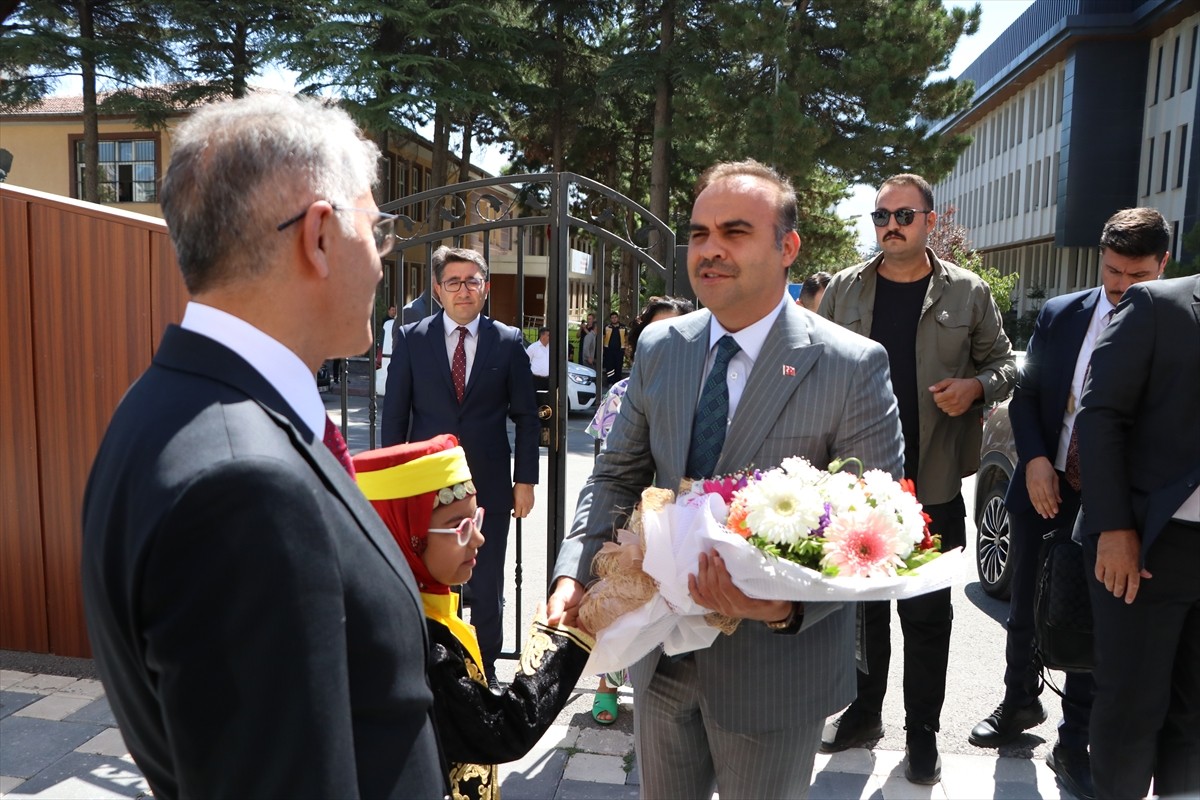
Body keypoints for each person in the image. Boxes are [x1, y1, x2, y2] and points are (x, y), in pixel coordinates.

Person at [79, 94, 444, 799]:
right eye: (378, 230)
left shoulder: (168, 405)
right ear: (319, 235)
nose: (381, 260)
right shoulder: (243, 486)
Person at [547, 159, 905, 799]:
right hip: (660, 661)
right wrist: (575, 568)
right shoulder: (663, 348)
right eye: (699, 233)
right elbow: (619, 473)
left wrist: (785, 606)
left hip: (772, 671)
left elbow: (874, 534)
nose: (709, 250)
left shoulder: (851, 366)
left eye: (735, 232)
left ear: (787, 246)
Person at [819, 173, 1015, 785]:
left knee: (927, 617)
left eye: (902, 214)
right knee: (863, 612)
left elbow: (1007, 363)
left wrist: (977, 387)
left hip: (930, 487)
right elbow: (808, 363)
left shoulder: (969, 292)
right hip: (857, 485)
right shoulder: (845, 290)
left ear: (931, 220)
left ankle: (923, 733)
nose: (889, 226)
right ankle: (865, 712)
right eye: (880, 216)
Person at [967, 207, 1169, 799]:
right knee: (1024, 597)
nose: (1120, 287)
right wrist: (1033, 461)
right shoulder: (1062, 314)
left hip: (1114, 502)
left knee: (1092, 618)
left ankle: (1074, 741)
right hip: (1046, 482)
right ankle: (1017, 705)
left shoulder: (1174, 325)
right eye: (1111, 272)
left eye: (1136, 276)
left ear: (1163, 262)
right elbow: (1029, 395)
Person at [352, 434, 594, 800]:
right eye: (459, 526)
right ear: (409, 535)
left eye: (476, 518)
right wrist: (558, 642)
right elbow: (499, 731)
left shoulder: (413, 606)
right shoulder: (413, 642)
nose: (479, 538)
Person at [383, 245, 539, 689]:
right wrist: (392, 485)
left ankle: (485, 670)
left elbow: (526, 417)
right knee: (432, 576)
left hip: (488, 484)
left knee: (486, 578)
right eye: (453, 282)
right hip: (427, 485)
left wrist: (525, 480)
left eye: (473, 281)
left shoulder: (507, 342)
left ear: (485, 287)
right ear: (438, 289)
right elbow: (395, 415)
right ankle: (437, 668)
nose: (464, 289)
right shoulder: (413, 339)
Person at [1075, 271, 1200, 800]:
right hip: (1150, 543)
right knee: (1131, 709)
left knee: (1194, 716)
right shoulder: (1158, 304)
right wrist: (1114, 527)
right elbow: (1099, 416)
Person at [585, 294, 694, 725]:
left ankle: (658, 691)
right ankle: (607, 683)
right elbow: (615, 466)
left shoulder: (703, 392)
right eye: (654, 332)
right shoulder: (621, 393)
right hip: (632, 518)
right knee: (622, 600)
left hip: (682, 518)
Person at [601, 311, 627, 382]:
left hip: (619, 351)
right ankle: (610, 381)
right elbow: (603, 337)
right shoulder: (607, 327)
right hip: (609, 351)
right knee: (609, 367)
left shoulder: (623, 327)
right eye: (612, 318)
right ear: (610, 319)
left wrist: (626, 348)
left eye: (615, 317)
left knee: (618, 367)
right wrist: (602, 349)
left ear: (618, 318)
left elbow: (626, 338)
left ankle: (618, 382)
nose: (614, 319)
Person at [526, 325, 551, 392]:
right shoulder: (532, 348)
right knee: (536, 400)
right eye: (548, 335)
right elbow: (526, 362)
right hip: (536, 380)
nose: (550, 337)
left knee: (547, 401)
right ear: (542, 336)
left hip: (549, 380)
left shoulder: (552, 348)